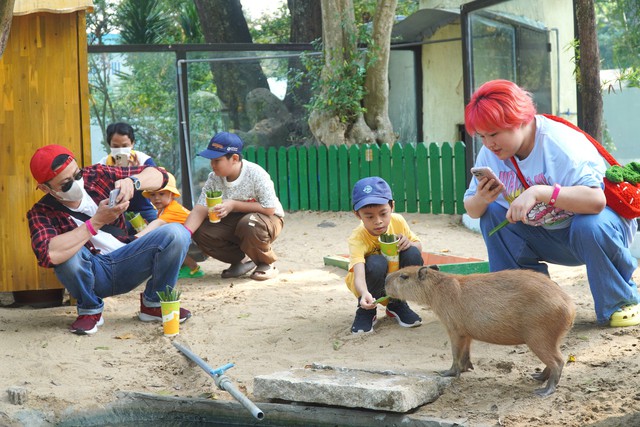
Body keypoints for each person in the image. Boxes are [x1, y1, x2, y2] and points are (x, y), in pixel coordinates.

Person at [463, 79, 639, 327]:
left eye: (494, 133)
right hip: (546, 234)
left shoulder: (559, 144)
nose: (489, 143)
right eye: (482, 136)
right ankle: (531, 304)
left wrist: (540, 192)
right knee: (492, 213)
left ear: (521, 119)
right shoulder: (491, 154)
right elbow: (472, 210)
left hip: (595, 230)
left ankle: (620, 301)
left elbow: (596, 201)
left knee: (590, 224)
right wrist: (481, 199)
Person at [27, 144, 193, 335]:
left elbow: (161, 175)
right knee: (67, 254)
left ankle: (154, 304)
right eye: (66, 183)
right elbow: (49, 254)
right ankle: (90, 310)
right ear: (45, 188)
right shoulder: (40, 213)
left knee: (177, 233)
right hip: (93, 272)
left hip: (129, 256)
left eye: (77, 175)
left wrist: (133, 182)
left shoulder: (96, 176)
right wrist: (96, 222)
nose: (76, 182)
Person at [184, 132, 284, 281]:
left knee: (249, 223)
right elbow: (200, 209)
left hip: (267, 219)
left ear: (235, 158)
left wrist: (234, 205)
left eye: (217, 160)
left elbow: (269, 208)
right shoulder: (214, 178)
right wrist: (184, 235)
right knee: (200, 231)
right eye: (211, 160)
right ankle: (242, 261)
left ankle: (266, 264)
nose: (212, 165)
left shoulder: (256, 173)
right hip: (235, 222)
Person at [346, 176, 423, 334]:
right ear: (357, 215)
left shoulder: (398, 222)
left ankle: (397, 304)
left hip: (393, 280)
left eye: (383, 213)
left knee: (412, 253)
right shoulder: (357, 238)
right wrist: (364, 294)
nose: (378, 221)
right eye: (369, 217)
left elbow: (419, 247)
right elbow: (359, 274)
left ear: (392, 206)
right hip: (367, 285)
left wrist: (409, 243)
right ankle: (366, 311)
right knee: (376, 262)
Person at [137, 172, 204, 279]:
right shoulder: (164, 209)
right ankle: (183, 267)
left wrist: (137, 237)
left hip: (199, 243)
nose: (156, 198)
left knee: (169, 244)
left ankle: (193, 268)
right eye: (152, 195)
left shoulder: (172, 210)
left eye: (161, 194)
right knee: (169, 240)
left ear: (171, 194)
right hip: (193, 239)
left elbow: (158, 224)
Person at [98, 122, 158, 232]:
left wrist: (136, 172)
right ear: (110, 145)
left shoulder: (143, 160)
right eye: (115, 146)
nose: (120, 150)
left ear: (132, 144)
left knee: (158, 230)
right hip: (118, 213)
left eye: (125, 146)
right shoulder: (103, 164)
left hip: (144, 210)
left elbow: (157, 184)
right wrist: (114, 174)